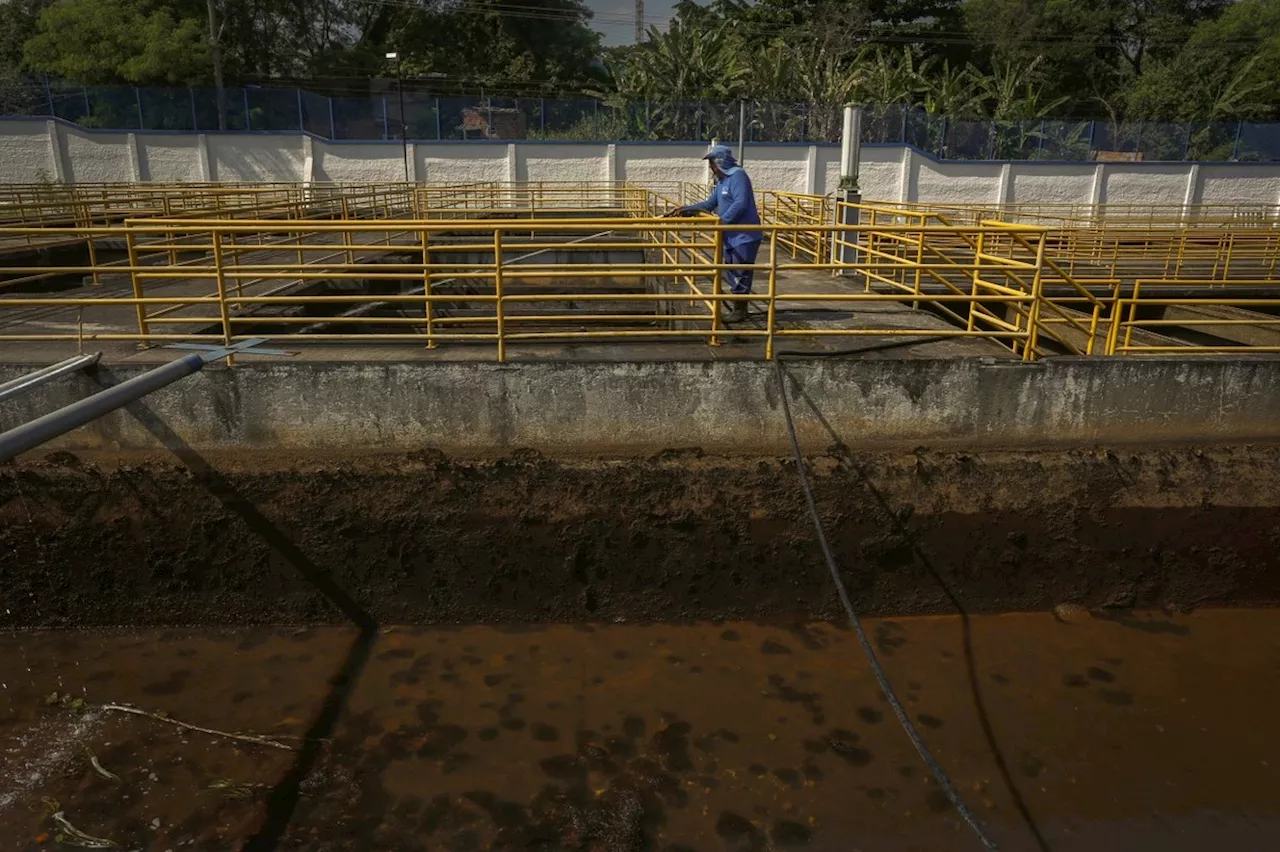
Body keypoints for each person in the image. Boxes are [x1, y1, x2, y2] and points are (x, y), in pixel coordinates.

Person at [668, 144, 763, 323]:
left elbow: (740, 204)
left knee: (741, 271)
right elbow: (709, 203)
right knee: (732, 270)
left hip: (744, 235)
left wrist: (721, 221)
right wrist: (687, 209)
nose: (711, 168)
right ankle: (738, 307)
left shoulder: (738, 177)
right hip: (729, 235)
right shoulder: (721, 182)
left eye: (712, 163)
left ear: (720, 162)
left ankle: (740, 310)